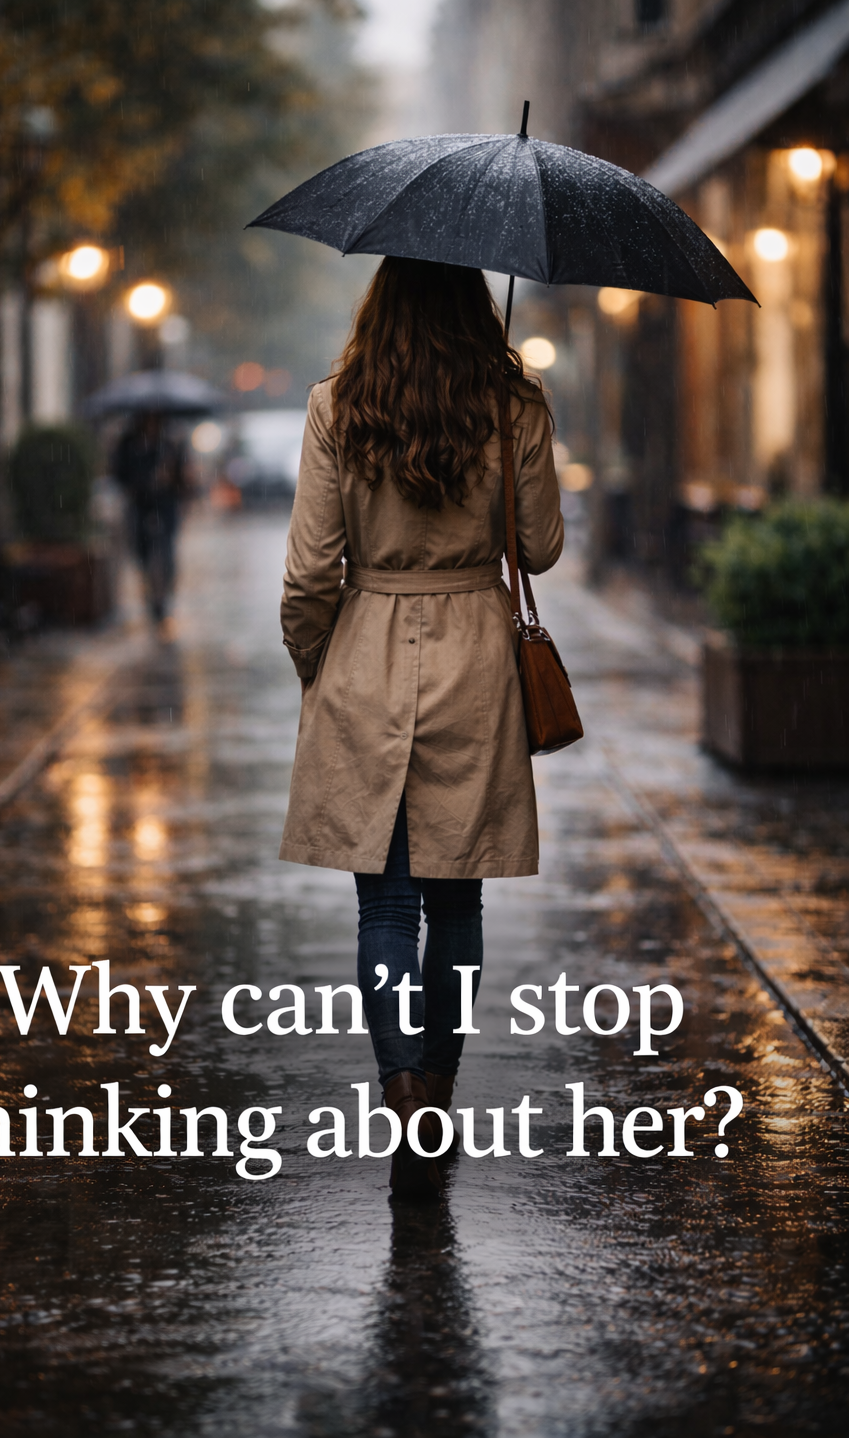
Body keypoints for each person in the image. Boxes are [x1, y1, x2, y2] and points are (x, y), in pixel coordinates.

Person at [279, 257, 564, 1200]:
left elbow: (311, 572)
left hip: (365, 647)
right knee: (456, 908)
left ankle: (399, 1083)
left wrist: (316, 666)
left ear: (382, 303)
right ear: (474, 305)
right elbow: (543, 546)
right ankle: (436, 1090)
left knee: (387, 908)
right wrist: (517, 415)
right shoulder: (510, 403)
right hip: (477, 662)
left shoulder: (339, 403)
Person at [113, 411, 187, 626]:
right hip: (139, 506)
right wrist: (142, 481)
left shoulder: (171, 442)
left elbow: (184, 479)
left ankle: (163, 600)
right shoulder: (128, 443)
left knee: (165, 553)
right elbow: (119, 474)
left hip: (166, 506)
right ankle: (152, 598)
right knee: (143, 553)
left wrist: (171, 477)